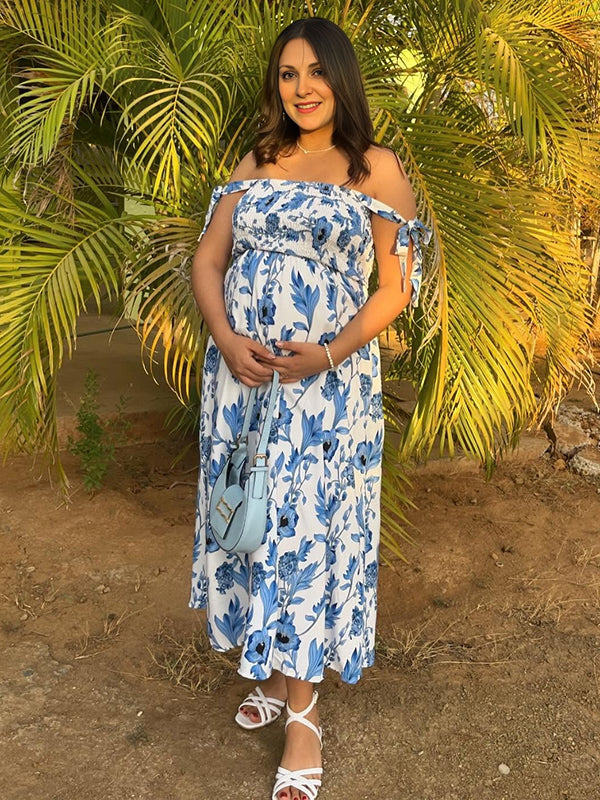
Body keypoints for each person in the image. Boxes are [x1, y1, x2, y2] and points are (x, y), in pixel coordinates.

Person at [189, 16, 429, 800]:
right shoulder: (258, 159)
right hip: (243, 385)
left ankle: (303, 718)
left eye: (316, 71)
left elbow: (395, 289)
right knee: (257, 523)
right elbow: (208, 259)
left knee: (305, 534)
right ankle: (270, 666)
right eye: (288, 74)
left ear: (341, 77)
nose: (302, 88)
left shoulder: (375, 168)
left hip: (324, 395)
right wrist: (226, 338)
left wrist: (327, 353)